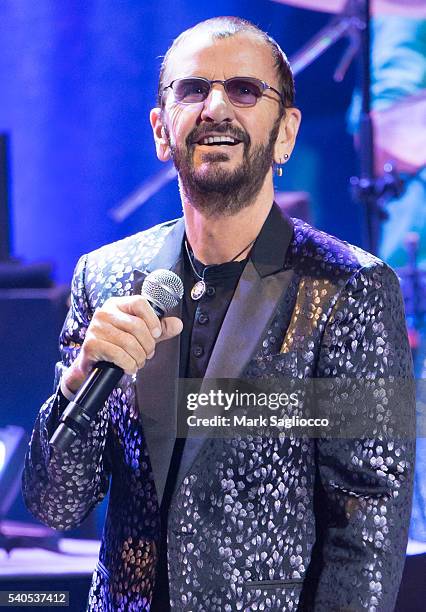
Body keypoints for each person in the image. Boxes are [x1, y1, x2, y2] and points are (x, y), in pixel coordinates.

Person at [23, 16, 415, 612]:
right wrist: (79, 383)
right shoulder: (103, 278)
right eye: (192, 90)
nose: (214, 107)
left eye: (243, 90)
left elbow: (367, 518)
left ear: (286, 133)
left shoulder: (348, 289)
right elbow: (57, 505)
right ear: (162, 130)